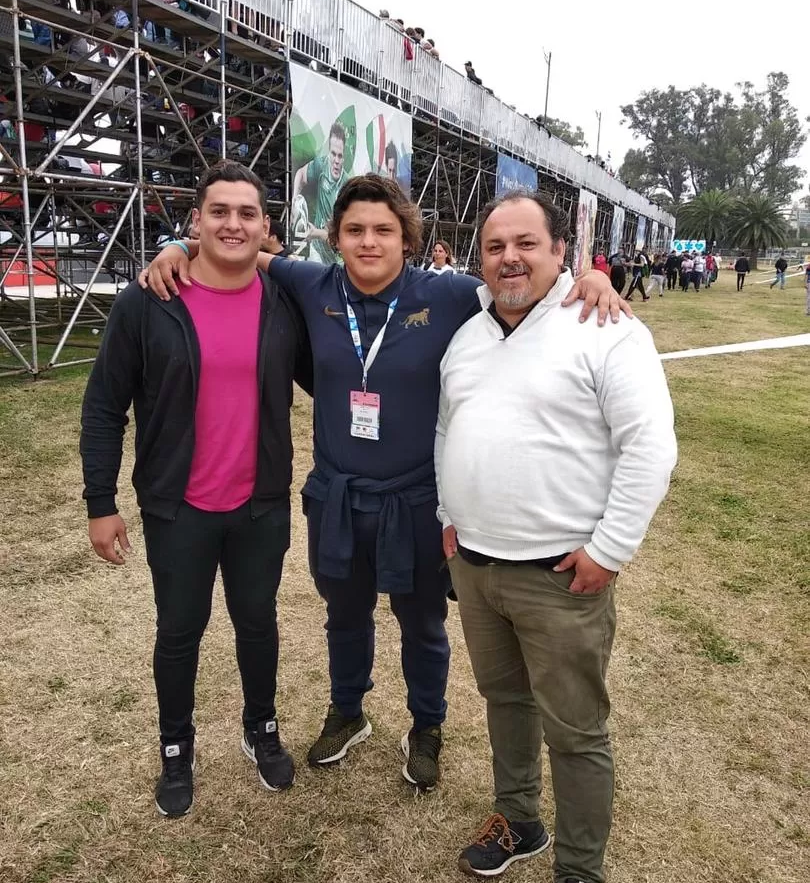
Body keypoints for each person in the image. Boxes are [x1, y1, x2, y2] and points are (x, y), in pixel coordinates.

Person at [141, 175, 630, 794]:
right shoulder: (309, 283)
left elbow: (524, 279)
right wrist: (177, 250)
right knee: (343, 617)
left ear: (407, 239)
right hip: (338, 499)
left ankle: (427, 726)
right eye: (354, 231)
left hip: (418, 502)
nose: (368, 242)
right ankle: (348, 711)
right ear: (335, 239)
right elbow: (234, 249)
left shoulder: (451, 294)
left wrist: (589, 277)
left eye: (383, 231)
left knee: (422, 622)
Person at [436, 190, 677, 883]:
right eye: (495, 244)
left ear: (558, 251)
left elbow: (649, 446)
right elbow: (448, 428)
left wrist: (609, 548)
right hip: (475, 567)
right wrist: (449, 512)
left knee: (576, 733)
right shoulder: (467, 336)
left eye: (525, 243)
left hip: (559, 578)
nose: (509, 256)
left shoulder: (602, 327)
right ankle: (519, 820)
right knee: (503, 700)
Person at [81, 162, 313, 818]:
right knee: (180, 630)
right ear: (196, 222)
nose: (233, 224)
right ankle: (176, 746)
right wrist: (101, 503)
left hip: (260, 504)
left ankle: (260, 728)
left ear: (267, 228)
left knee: (257, 623)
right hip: (177, 507)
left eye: (247, 213)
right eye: (219, 212)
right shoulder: (148, 302)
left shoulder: (284, 302)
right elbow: (104, 406)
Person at [292, 120, 348, 263]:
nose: (336, 160)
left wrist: (315, 232)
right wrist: (294, 202)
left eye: (340, 156)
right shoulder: (322, 165)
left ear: (344, 157)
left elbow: (342, 236)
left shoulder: (348, 187)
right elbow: (300, 174)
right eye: (333, 154)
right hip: (316, 250)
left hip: (338, 258)